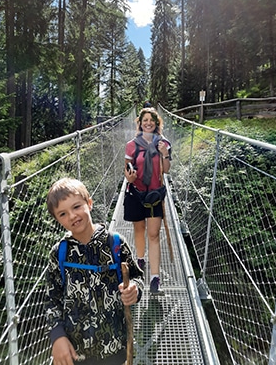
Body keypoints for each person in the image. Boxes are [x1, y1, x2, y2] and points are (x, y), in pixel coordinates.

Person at [45, 177, 144, 365]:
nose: (72, 216)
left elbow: (136, 277)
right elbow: (52, 299)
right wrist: (57, 336)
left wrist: (135, 290)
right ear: (57, 219)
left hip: (116, 346)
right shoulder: (60, 253)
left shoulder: (115, 244)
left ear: (89, 203)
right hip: (77, 351)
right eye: (63, 214)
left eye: (76, 207)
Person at [123, 107, 171, 295]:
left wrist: (164, 153)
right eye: (145, 120)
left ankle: (155, 279)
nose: (148, 123)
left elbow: (166, 170)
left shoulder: (163, 143)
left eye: (152, 120)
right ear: (140, 123)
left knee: (154, 235)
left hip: (154, 195)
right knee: (139, 229)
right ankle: (140, 259)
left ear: (157, 123)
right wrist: (130, 177)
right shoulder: (131, 145)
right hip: (136, 193)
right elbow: (126, 172)